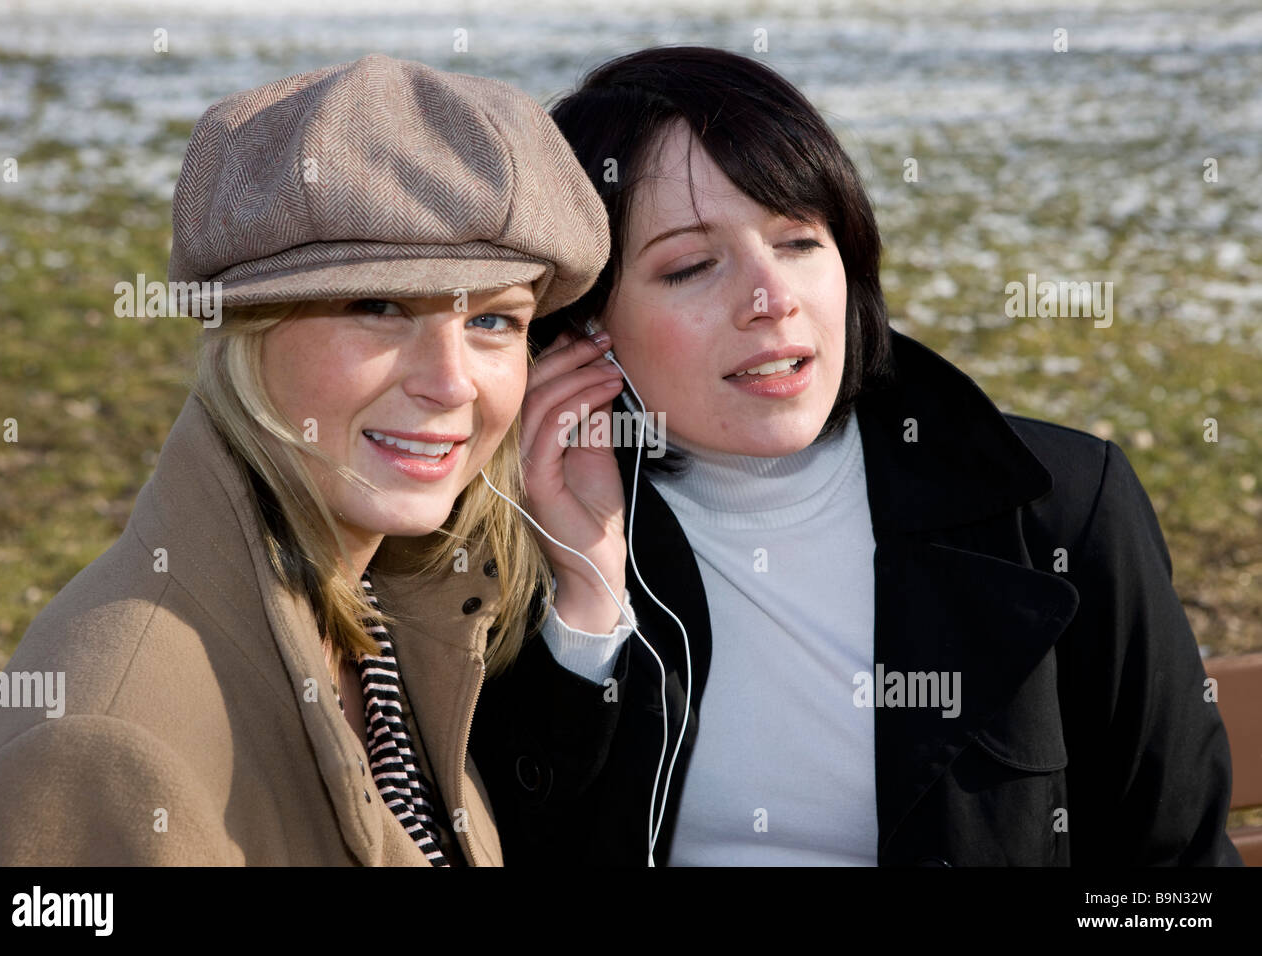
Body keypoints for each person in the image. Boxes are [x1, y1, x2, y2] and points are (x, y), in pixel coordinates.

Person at [471, 46, 1242, 866]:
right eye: (693, 266)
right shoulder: (505, 534)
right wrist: (585, 606)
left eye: (800, 241)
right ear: (588, 330)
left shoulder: (1057, 508)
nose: (773, 299)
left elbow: (1178, 877)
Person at [0, 54, 612, 865]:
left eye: (494, 322)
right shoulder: (103, 749)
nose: (453, 384)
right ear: (245, 334)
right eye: (379, 307)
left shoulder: (379, 615)